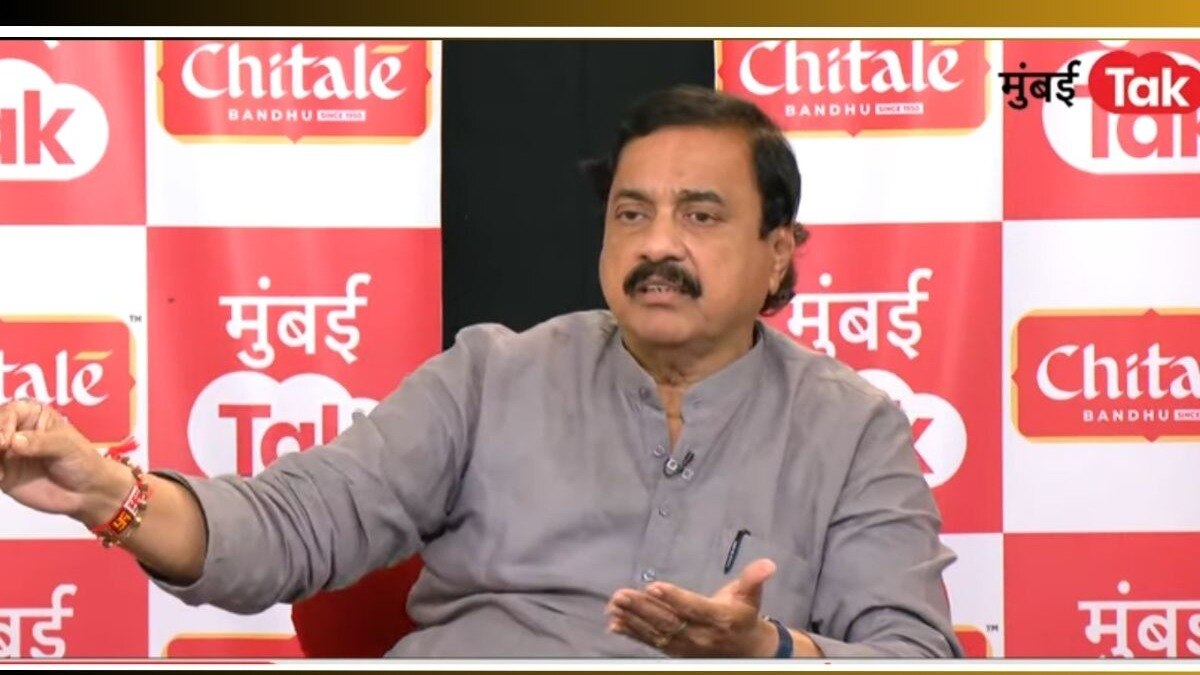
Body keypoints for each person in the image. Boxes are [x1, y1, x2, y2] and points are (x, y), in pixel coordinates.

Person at [0, 84, 962, 658]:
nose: (657, 244)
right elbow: (293, 526)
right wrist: (109, 494)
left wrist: (771, 649)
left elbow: (914, 653)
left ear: (780, 252)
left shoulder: (854, 429)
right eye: (631, 213)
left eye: (701, 216)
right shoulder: (491, 374)